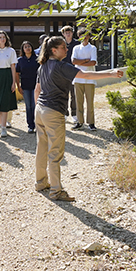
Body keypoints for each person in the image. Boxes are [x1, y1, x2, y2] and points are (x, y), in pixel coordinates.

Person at [35, 35, 123, 202]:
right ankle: (56, 191)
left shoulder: (43, 66)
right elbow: (86, 76)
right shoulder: (61, 66)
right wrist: (111, 73)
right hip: (53, 112)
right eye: (63, 47)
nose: (67, 49)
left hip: (40, 110)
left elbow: (36, 90)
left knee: (41, 149)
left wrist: (38, 109)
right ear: (54, 50)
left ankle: (40, 183)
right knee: (55, 153)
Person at [71, 28, 98, 130]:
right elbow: (73, 61)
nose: (85, 37)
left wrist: (81, 62)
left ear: (89, 36)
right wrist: (86, 60)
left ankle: (91, 122)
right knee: (78, 101)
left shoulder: (93, 48)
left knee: (90, 101)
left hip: (90, 78)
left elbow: (93, 62)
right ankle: (80, 122)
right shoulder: (76, 48)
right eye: (83, 35)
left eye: (87, 35)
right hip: (78, 78)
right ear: (79, 36)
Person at [15, 41, 40, 133]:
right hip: (25, 85)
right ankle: (30, 125)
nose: (27, 48)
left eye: (29, 46)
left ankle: (37, 124)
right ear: (23, 49)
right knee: (28, 106)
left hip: (36, 85)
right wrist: (18, 85)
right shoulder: (20, 60)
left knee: (35, 105)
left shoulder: (37, 59)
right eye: (25, 47)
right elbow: (17, 73)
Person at [60, 25, 79, 118]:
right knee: (64, 93)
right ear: (63, 34)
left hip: (74, 71)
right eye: (66, 32)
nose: (68, 34)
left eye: (69, 32)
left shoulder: (77, 44)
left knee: (74, 94)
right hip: (63, 71)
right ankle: (65, 112)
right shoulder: (60, 44)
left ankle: (74, 113)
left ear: (72, 33)